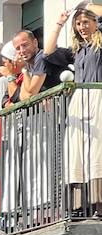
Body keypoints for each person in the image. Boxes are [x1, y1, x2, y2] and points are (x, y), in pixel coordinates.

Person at [45, 4, 102, 215]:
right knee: (76, 150)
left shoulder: (100, 44)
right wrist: (59, 24)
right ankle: (80, 205)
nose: (82, 27)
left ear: (96, 23)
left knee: (97, 149)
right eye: (78, 24)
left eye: (86, 22)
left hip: (98, 95)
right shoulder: (77, 51)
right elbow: (49, 52)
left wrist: (87, 5)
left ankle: (99, 203)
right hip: (79, 99)